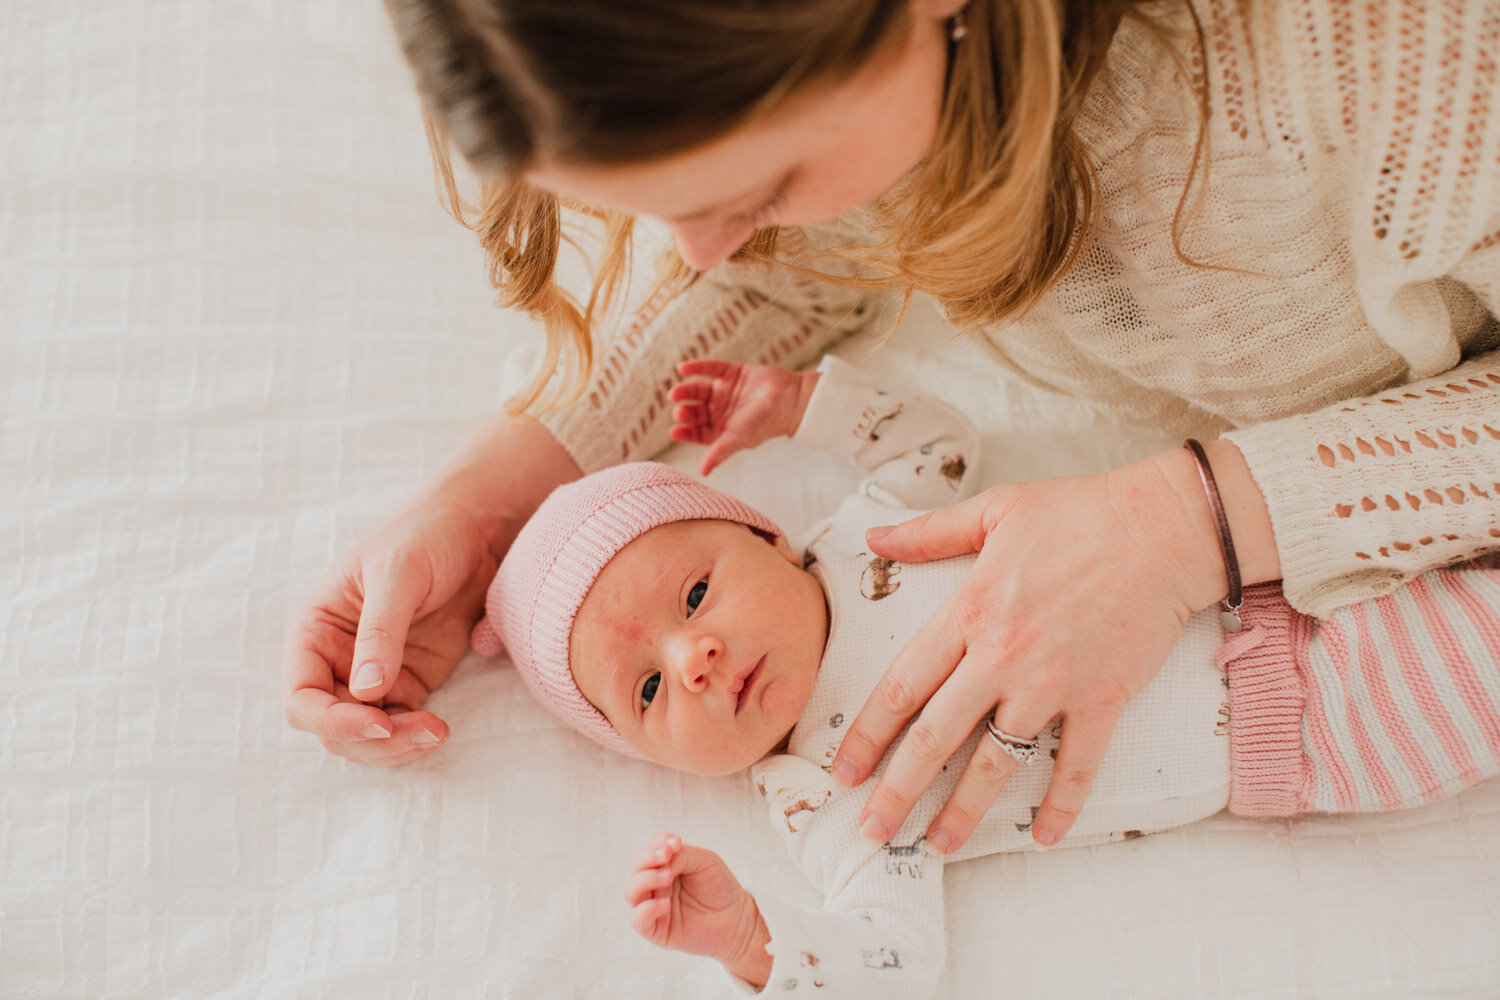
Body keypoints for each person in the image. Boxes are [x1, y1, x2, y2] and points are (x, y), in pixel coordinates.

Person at [283, 0, 1500, 855]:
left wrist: (1191, 518)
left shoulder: (1390, 61)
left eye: (751, 183)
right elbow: (804, 258)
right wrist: (508, 495)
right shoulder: (879, 71)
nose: (702, 250)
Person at [469, 355, 1499, 996]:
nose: (689, 661)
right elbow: (894, 955)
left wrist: (808, 406)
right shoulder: (836, 798)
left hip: (1257, 551)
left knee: (1440, 476)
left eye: (694, 598)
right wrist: (753, 935)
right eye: (645, 693)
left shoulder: (874, 535)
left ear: (774, 539)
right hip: (1321, 716)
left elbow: (945, 449)